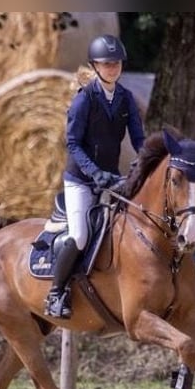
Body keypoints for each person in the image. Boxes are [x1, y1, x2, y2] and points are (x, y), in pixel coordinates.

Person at [44, 34, 146, 319]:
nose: (112, 68)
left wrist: (148, 159)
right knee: (79, 235)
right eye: (106, 64)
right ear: (95, 66)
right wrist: (94, 173)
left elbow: (138, 137)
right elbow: (73, 143)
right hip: (81, 180)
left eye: (116, 63)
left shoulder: (126, 98)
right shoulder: (84, 100)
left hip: (111, 177)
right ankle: (56, 293)